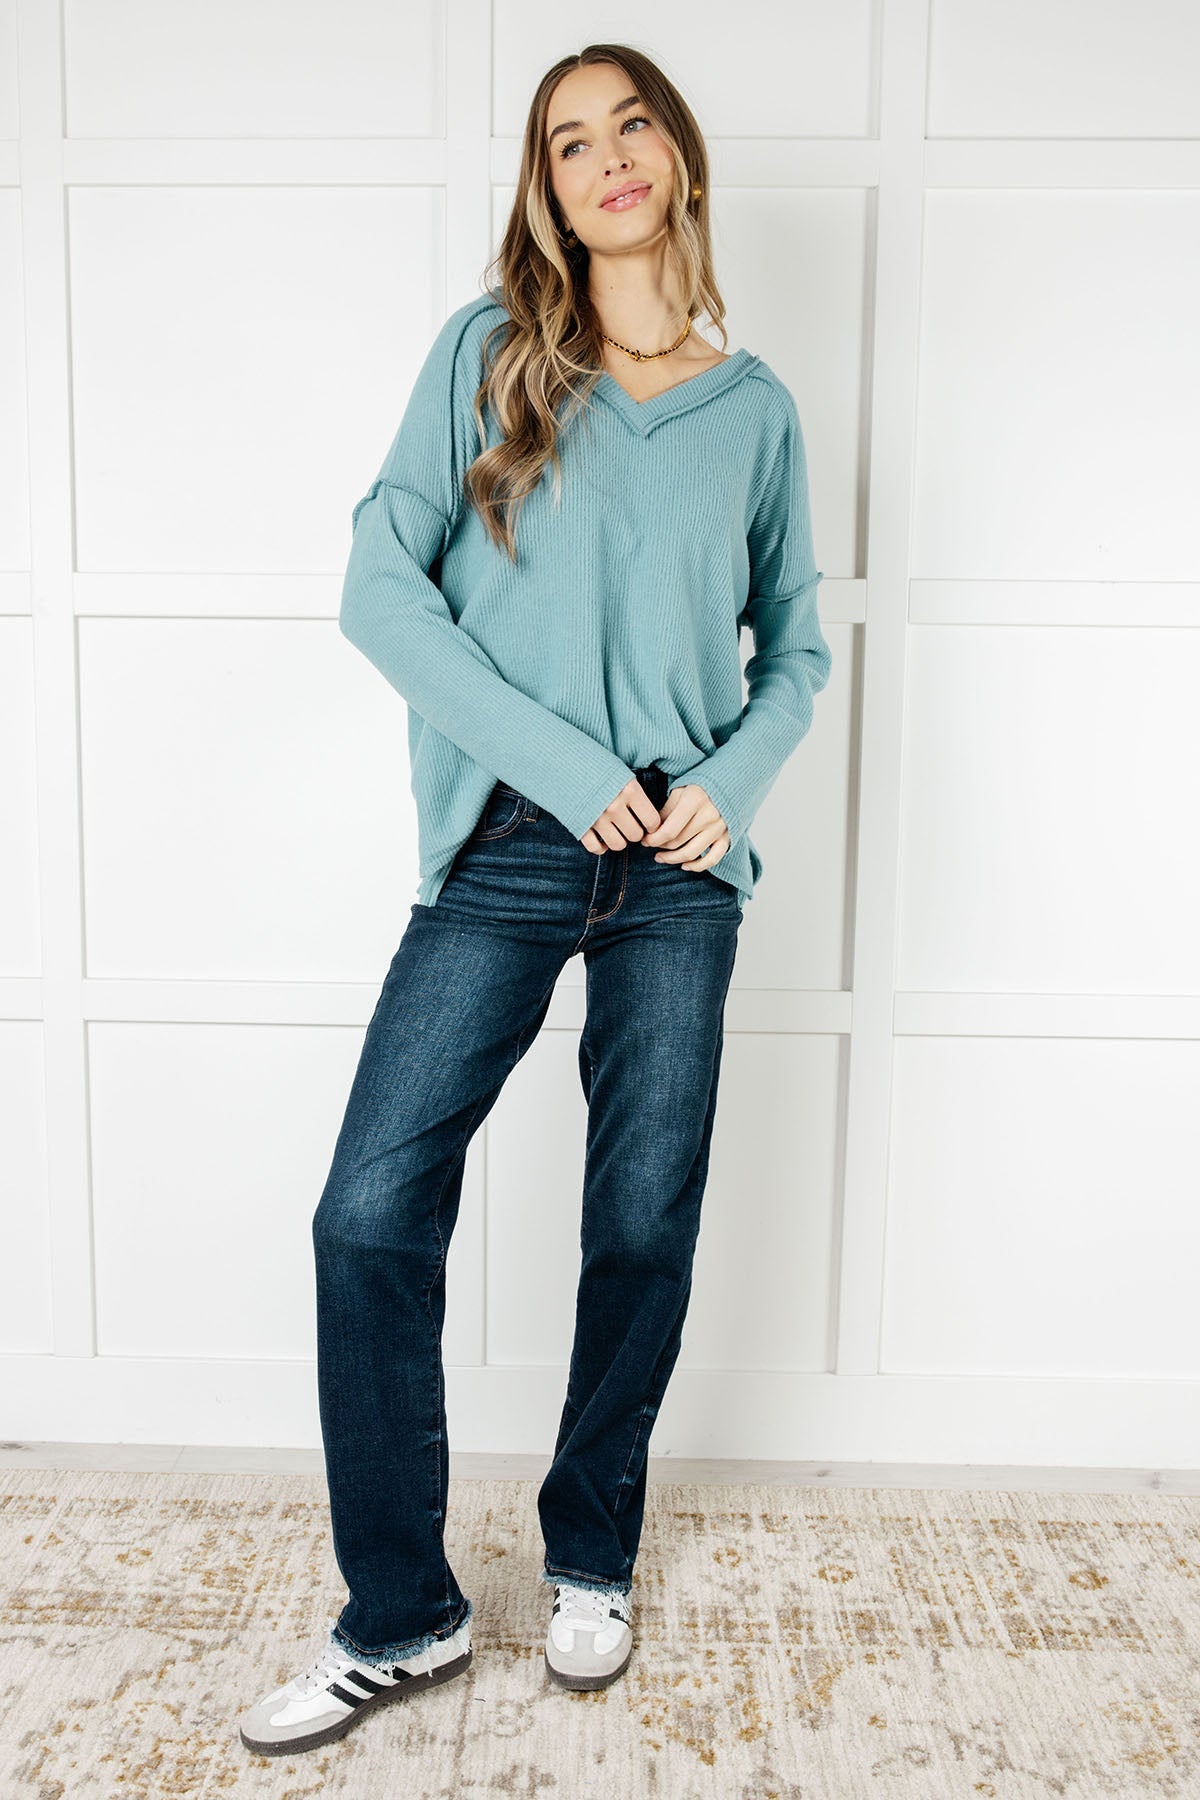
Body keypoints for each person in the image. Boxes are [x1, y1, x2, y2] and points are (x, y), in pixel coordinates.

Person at [238, 41, 831, 1758]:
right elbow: (380, 591)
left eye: (630, 122)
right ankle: (401, 1614)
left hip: (680, 870)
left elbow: (796, 649)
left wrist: (731, 784)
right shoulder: (488, 355)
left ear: (679, 155)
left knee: (641, 1219)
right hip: (507, 840)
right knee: (368, 1212)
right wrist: (571, 770)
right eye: (569, 142)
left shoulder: (756, 411)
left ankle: (591, 1553)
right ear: (547, 190)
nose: (606, 156)